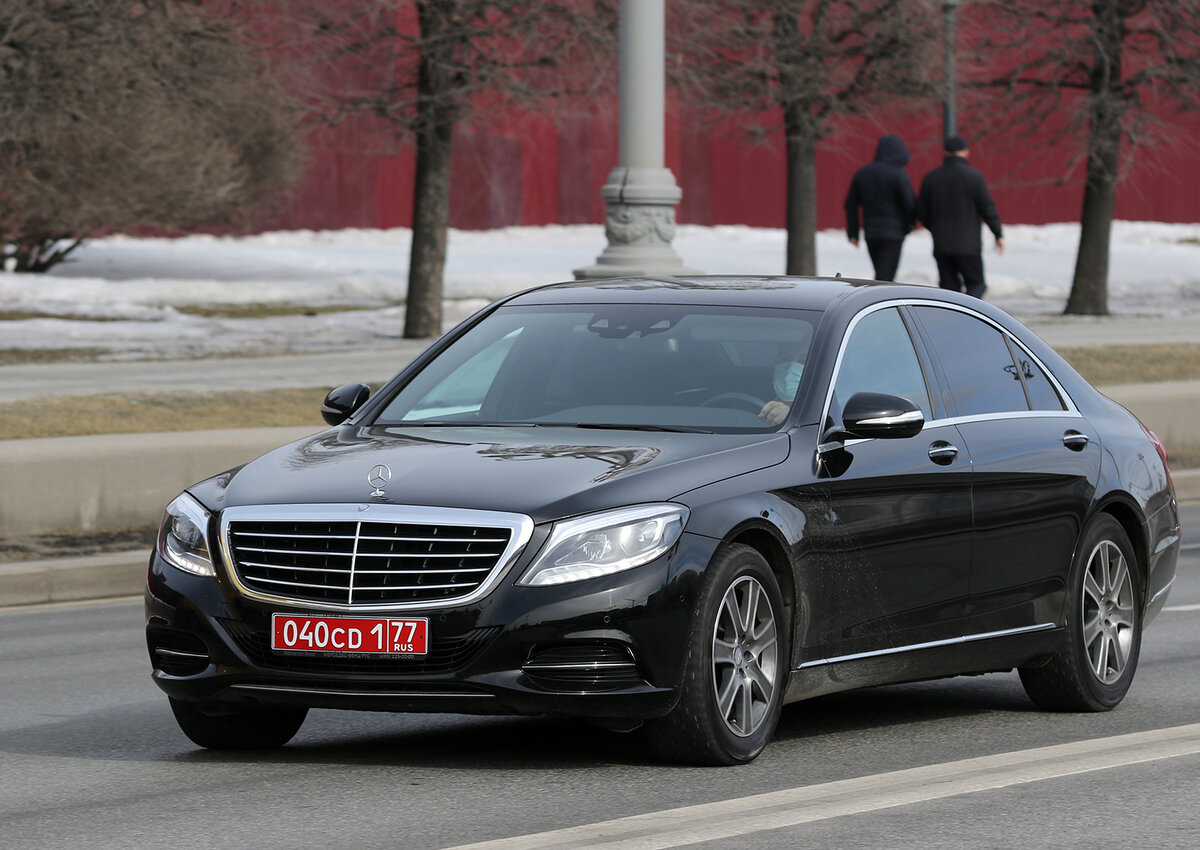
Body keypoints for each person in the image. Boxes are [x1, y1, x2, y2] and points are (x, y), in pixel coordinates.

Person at [917, 134, 1005, 299]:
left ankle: (953, 318)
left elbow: (922, 212)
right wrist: (998, 234)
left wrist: (936, 228)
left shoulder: (931, 178)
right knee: (977, 284)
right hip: (968, 245)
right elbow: (987, 208)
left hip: (942, 244)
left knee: (949, 289)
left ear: (945, 152)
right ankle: (968, 312)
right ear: (966, 152)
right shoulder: (974, 177)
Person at [843, 134, 917, 281]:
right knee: (885, 277)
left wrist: (853, 232)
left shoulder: (863, 173)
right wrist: (909, 225)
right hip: (893, 233)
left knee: (881, 272)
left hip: (871, 232)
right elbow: (910, 203)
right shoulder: (899, 174)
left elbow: (850, 204)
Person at [759, 346, 806, 426]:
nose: (790, 369)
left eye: (803, 361)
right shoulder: (752, 402)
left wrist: (791, 418)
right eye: (785, 359)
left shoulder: (822, 411)